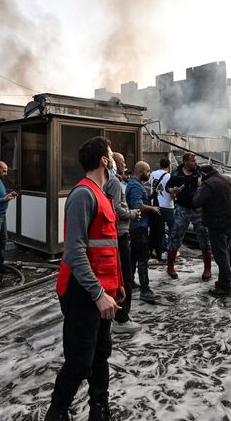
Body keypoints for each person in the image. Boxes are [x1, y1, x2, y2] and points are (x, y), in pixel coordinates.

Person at [45, 136, 124, 421]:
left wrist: (117, 288)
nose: (115, 160)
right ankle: (57, 412)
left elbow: (108, 248)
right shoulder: (83, 195)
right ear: (104, 161)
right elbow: (74, 252)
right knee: (79, 362)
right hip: (83, 293)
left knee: (101, 354)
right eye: (112, 155)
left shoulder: (103, 195)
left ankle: (99, 409)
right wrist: (98, 294)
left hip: (104, 292)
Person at [104, 152, 141, 334]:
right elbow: (116, 209)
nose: (124, 165)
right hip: (120, 235)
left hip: (116, 235)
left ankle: (119, 313)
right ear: (114, 163)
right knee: (125, 277)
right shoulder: (115, 183)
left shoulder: (112, 181)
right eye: (123, 162)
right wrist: (133, 213)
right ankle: (122, 318)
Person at [193, 165, 231, 297]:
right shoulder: (228, 179)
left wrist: (199, 187)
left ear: (203, 174)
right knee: (224, 253)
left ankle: (225, 287)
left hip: (218, 224)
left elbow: (196, 202)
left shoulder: (208, 184)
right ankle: (222, 282)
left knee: (221, 256)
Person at [165, 153, 212, 280]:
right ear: (185, 162)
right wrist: (173, 190)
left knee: (204, 236)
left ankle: (207, 268)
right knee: (175, 236)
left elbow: (211, 184)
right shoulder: (176, 173)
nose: (195, 163)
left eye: (195, 160)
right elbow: (167, 187)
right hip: (182, 208)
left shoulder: (200, 172)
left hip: (198, 209)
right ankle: (170, 267)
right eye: (192, 161)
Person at [126, 161, 160, 303]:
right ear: (141, 172)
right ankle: (145, 290)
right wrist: (153, 209)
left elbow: (141, 199)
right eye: (148, 171)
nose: (150, 173)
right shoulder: (134, 185)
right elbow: (137, 205)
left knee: (133, 257)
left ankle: (131, 282)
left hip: (137, 227)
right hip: (138, 227)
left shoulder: (137, 184)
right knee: (142, 258)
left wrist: (152, 196)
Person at [149, 158, 174, 261]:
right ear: (169, 166)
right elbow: (172, 192)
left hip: (155, 206)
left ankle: (161, 250)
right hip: (168, 206)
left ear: (160, 164)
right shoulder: (169, 176)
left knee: (159, 229)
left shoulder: (152, 174)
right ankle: (170, 250)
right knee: (173, 228)